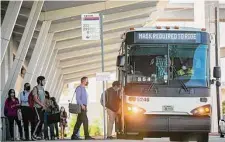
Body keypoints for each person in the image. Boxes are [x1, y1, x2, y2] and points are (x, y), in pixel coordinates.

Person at [32, 76, 46, 140]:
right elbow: (35, 99)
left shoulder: (42, 89)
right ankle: (33, 135)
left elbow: (43, 99)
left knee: (42, 121)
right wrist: (41, 105)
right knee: (38, 120)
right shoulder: (35, 88)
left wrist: (44, 105)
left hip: (42, 108)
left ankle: (38, 135)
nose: (44, 82)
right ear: (40, 81)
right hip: (37, 107)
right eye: (43, 81)